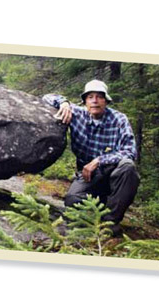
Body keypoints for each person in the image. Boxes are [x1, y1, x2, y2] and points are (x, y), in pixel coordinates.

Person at [43, 79, 140, 236]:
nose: (95, 101)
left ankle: (110, 222)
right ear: (85, 101)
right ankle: (99, 205)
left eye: (99, 97)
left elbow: (130, 151)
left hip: (112, 172)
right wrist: (64, 103)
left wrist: (99, 160)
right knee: (72, 200)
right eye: (90, 97)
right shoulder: (76, 114)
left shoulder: (119, 119)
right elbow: (46, 97)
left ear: (106, 100)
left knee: (128, 167)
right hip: (87, 174)